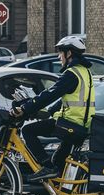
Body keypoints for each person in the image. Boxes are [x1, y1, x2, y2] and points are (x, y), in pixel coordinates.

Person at [9, 36, 95, 181]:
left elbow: (51, 94)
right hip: (81, 125)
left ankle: (46, 167)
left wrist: (26, 108)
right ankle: (62, 194)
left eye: (60, 53)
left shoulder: (71, 74)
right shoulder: (85, 72)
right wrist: (48, 112)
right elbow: (65, 99)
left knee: (28, 131)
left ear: (69, 54)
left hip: (70, 124)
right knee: (58, 162)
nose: (58, 56)